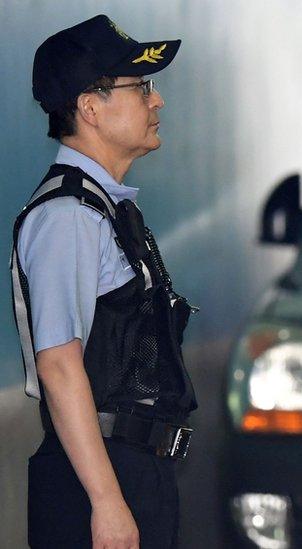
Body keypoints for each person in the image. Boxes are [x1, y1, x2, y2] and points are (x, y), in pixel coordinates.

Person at [14, 14, 197, 548]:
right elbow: (59, 364)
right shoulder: (68, 215)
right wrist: (107, 501)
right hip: (97, 479)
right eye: (140, 88)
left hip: (130, 471)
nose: (156, 101)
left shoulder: (104, 210)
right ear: (89, 108)